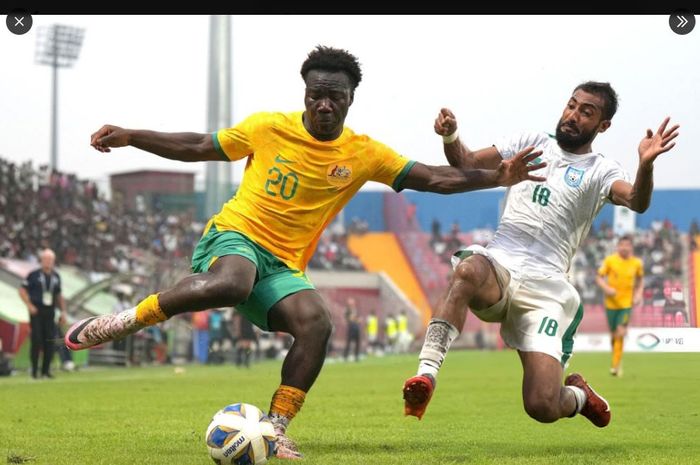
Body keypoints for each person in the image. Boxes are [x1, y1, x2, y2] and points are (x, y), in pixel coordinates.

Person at [64, 45, 544, 459]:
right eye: (316, 94)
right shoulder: (268, 127)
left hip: (283, 264)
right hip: (235, 236)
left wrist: (496, 176)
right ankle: (129, 320)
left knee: (317, 324)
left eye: (335, 96)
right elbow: (196, 146)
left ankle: (274, 431)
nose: (324, 105)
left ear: (351, 99)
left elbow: (436, 178)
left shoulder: (365, 153)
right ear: (305, 94)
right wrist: (132, 135)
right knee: (233, 281)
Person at [403, 81, 679, 429]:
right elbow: (467, 162)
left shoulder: (602, 170)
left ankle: (579, 396)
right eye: (572, 105)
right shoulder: (531, 142)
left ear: (603, 126)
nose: (573, 115)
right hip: (500, 264)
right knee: (468, 270)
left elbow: (637, 200)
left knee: (542, 405)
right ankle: (426, 375)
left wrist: (646, 165)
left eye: (586, 112)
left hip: (546, 288)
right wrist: (450, 136)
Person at [595, 235, 644, 377]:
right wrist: (606, 288)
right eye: (622, 245)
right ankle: (616, 359)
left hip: (626, 304)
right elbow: (598, 277)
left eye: (627, 245)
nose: (624, 247)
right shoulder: (610, 261)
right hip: (611, 304)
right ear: (618, 246)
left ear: (631, 247)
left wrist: (639, 294)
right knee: (613, 335)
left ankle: (615, 367)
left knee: (621, 332)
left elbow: (640, 281)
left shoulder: (637, 263)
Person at [18, 248, 67, 379]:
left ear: (54, 261)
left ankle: (46, 371)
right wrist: (29, 305)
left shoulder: (56, 277)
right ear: (41, 260)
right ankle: (34, 371)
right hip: (37, 311)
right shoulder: (33, 275)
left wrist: (63, 312)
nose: (48, 261)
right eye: (46, 259)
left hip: (50, 311)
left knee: (49, 341)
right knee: (36, 340)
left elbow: (59, 295)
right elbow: (22, 290)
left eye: (51, 259)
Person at [343, 297, 361, 362]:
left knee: (357, 342)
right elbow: (349, 318)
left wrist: (357, 319)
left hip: (357, 327)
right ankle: (345, 356)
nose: (352, 304)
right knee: (349, 342)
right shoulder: (347, 310)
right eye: (350, 303)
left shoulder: (356, 309)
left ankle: (356, 356)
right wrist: (356, 319)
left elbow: (358, 318)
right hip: (351, 327)